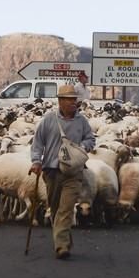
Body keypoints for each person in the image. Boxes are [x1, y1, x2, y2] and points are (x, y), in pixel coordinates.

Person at [29, 84, 95, 260]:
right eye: (70, 99)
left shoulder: (82, 121)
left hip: (73, 173)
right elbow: (37, 143)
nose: (74, 103)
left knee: (66, 209)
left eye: (75, 99)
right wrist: (36, 161)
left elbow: (90, 139)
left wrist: (82, 147)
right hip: (52, 171)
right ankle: (63, 238)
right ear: (60, 101)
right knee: (56, 208)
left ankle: (61, 246)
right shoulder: (49, 120)